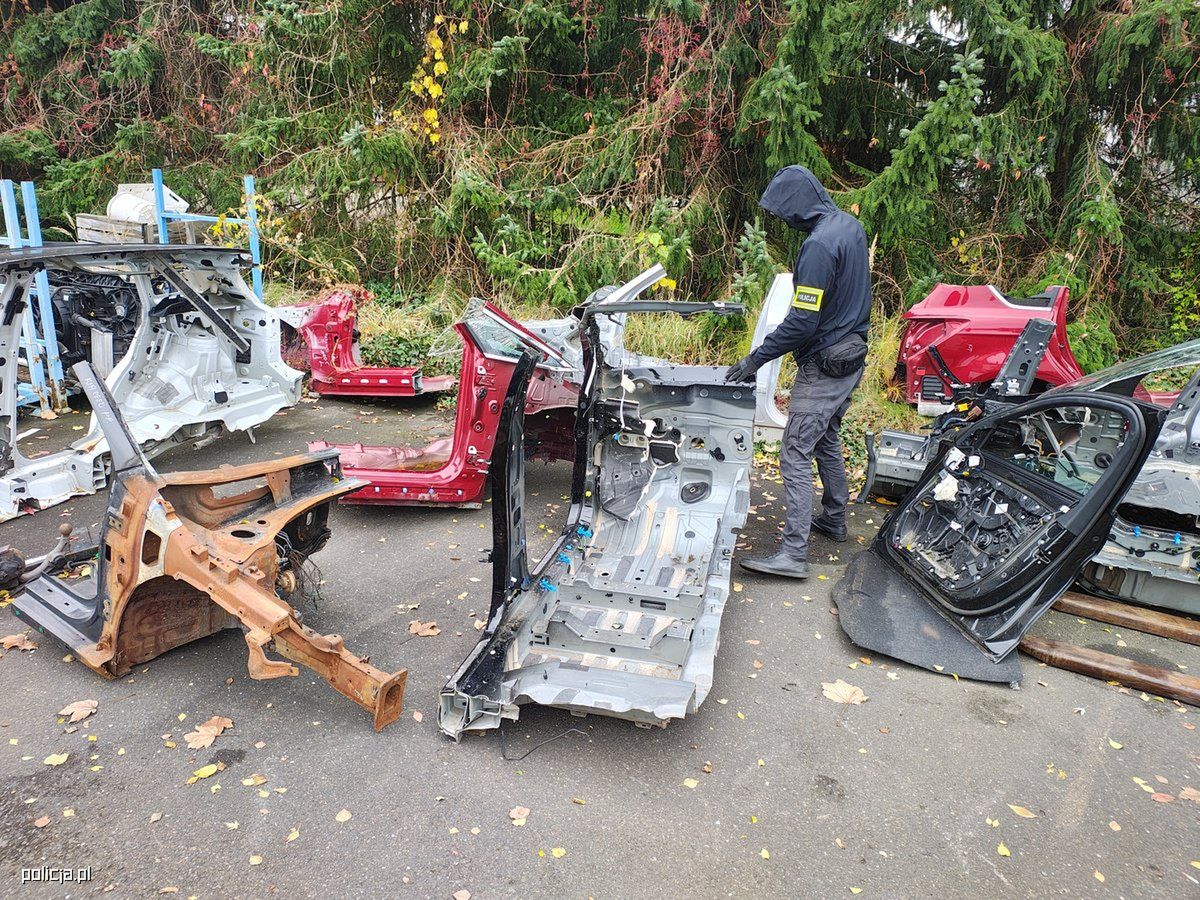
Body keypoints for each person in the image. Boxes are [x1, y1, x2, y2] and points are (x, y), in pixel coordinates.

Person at [726, 165, 872, 579]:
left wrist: (756, 358)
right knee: (825, 435)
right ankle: (834, 517)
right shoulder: (848, 226)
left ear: (796, 205)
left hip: (825, 363)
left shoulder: (818, 247)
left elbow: (802, 322)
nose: (782, 220)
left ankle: (792, 554)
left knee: (794, 449)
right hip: (852, 354)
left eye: (781, 211)